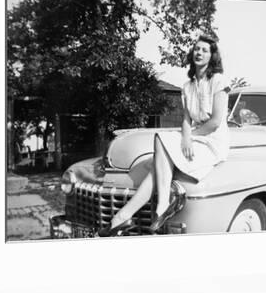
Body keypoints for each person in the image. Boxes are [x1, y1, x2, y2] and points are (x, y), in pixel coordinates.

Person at [97, 33, 231, 237]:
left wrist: (191, 137)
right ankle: (124, 217)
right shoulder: (187, 86)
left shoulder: (219, 81)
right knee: (159, 161)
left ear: (212, 56)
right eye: (196, 48)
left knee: (162, 146)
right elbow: (186, 119)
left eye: (204, 50)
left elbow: (215, 122)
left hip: (213, 142)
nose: (199, 52)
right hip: (195, 138)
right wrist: (186, 137)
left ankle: (144, 211)